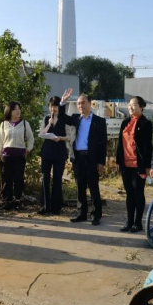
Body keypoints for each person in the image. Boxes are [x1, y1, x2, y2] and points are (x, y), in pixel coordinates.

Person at [68, 94, 108, 226]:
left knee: (93, 187)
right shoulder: (75, 119)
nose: (81, 106)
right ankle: (82, 213)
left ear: (90, 103)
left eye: (83, 103)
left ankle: (96, 215)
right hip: (78, 158)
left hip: (91, 158)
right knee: (80, 186)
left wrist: (101, 162)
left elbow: (103, 144)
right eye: (79, 103)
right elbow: (61, 117)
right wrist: (62, 102)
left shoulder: (99, 121)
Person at [116, 96, 153, 233]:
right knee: (129, 194)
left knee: (138, 193)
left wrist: (147, 166)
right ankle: (129, 221)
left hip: (138, 165)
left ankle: (138, 223)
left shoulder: (146, 123)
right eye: (129, 105)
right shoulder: (125, 122)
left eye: (134, 105)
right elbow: (120, 143)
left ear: (141, 107)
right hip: (125, 164)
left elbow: (147, 147)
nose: (130, 107)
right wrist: (118, 160)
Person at [38, 89, 75, 215]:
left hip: (59, 151)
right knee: (45, 178)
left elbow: (69, 136)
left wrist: (60, 138)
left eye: (55, 106)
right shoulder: (46, 118)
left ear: (59, 107)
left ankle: (56, 206)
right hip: (46, 152)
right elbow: (41, 133)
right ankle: (45, 206)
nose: (53, 109)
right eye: (51, 106)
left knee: (57, 178)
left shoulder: (64, 119)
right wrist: (49, 124)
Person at [0, 101, 34, 209]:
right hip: (6, 156)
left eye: (19, 109)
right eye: (15, 109)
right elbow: (0, 140)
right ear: (9, 111)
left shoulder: (24, 123)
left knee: (18, 178)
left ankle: (18, 200)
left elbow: (31, 138)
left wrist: (28, 148)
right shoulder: (4, 124)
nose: (18, 111)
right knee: (7, 179)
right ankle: (7, 201)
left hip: (19, 155)